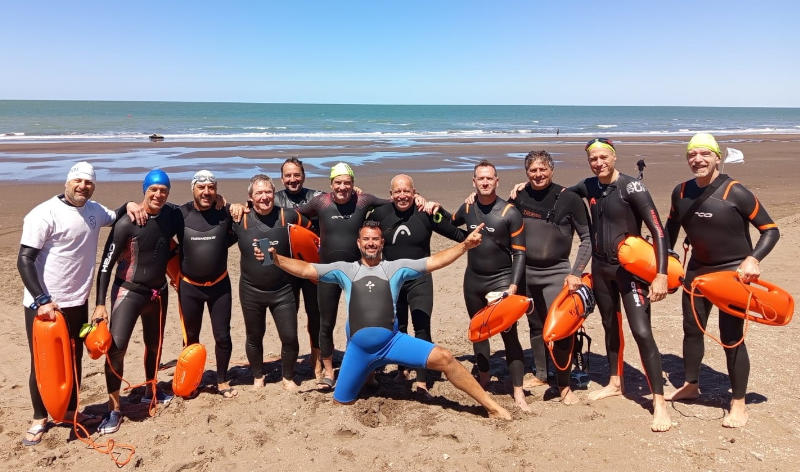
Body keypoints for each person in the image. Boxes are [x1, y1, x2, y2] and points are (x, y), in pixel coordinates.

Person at [256, 220, 512, 420]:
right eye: (366, 239)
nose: (370, 243)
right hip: (358, 350)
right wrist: (276, 259)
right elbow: (305, 269)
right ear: (358, 243)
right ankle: (367, 373)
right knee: (341, 401)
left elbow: (434, 261)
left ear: (382, 243)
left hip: (393, 343)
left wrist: (464, 246)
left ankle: (491, 407)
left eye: (375, 240)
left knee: (445, 358)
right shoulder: (345, 270)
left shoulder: (396, 268)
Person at [17, 162, 145, 446]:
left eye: (88, 183)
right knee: (42, 364)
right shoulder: (44, 213)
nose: (83, 186)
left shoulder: (94, 211)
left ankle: (70, 412)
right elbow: (24, 260)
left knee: (74, 361)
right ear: (67, 181)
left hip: (77, 303)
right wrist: (42, 300)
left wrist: (132, 204)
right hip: (45, 307)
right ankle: (39, 418)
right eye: (78, 181)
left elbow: (115, 214)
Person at [664, 133, 779, 428]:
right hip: (697, 272)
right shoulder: (680, 192)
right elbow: (670, 228)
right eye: (692, 154)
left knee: (732, 336)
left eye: (704, 154)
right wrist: (667, 257)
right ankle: (691, 385)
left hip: (732, 274)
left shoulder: (735, 192)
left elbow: (770, 229)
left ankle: (738, 403)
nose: (697, 160)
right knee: (691, 329)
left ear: (717, 157)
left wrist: (753, 259)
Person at [570, 138, 672, 432]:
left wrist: (661, 274)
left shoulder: (632, 188)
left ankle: (659, 403)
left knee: (641, 331)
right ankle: (615, 383)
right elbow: (559, 194)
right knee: (610, 326)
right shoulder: (588, 186)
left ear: (614, 157)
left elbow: (658, 231)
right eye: (593, 159)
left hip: (629, 271)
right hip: (601, 269)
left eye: (603, 157)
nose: (598, 163)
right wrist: (518, 189)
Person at [94, 169, 184, 434]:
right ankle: (114, 409)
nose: (158, 195)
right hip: (128, 292)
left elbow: (185, 228)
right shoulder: (127, 222)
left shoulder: (171, 216)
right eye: (153, 190)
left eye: (163, 191)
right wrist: (100, 303)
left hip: (157, 293)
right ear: (145, 190)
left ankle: (150, 389)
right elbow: (105, 265)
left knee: (154, 344)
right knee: (116, 349)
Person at [295, 162, 394, 389]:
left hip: (356, 274)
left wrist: (417, 198)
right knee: (325, 322)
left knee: (363, 321)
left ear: (353, 184)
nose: (342, 187)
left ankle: (367, 370)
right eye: (338, 182)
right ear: (331, 184)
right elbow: (294, 215)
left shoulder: (362, 201)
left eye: (347, 183)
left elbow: (391, 203)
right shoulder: (321, 202)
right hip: (328, 273)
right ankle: (329, 372)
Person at [367, 174, 465, 394]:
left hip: (420, 279)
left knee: (422, 327)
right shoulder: (381, 214)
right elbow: (361, 232)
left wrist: (439, 210)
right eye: (397, 192)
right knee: (398, 326)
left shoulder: (425, 213)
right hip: (392, 280)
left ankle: (421, 378)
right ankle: (403, 370)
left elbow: (456, 230)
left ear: (414, 192)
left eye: (407, 191)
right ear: (390, 194)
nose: (402, 195)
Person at [508, 151, 592, 405]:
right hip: (526, 272)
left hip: (557, 272)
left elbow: (587, 238)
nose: (538, 174)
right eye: (533, 170)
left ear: (552, 170)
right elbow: (500, 218)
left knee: (561, 328)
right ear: (526, 173)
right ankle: (543, 374)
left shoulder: (569, 198)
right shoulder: (519, 196)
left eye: (543, 169)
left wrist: (575, 273)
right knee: (535, 325)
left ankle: (564, 385)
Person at [452, 160, 530, 412]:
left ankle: (518, 391)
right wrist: (428, 206)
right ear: (473, 182)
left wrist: (513, 286)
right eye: (480, 178)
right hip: (473, 280)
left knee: (510, 335)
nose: (485, 182)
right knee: (479, 331)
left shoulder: (509, 212)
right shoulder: (467, 207)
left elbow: (519, 254)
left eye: (489, 178)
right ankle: (484, 376)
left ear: (497, 181)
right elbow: (448, 223)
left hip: (501, 280)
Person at [232, 174, 313, 390]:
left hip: (283, 290)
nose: (264, 197)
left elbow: (313, 231)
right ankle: (258, 376)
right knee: (254, 336)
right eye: (259, 193)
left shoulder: (288, 216)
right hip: (251, 291)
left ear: (274, 193)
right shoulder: (241, 220)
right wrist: (233, 206)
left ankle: (287, 376)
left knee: (289, 337)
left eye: (268, 192)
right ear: (250, 197)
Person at [177, 170, 239, 398]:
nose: (206, 192)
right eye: (201, 187)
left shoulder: (224, 213)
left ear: (216, 190)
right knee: (191, 338)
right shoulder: (180, 214)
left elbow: (246, 219)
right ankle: (192, 380)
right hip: (189, 287)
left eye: (211, 187)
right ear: (193, 188)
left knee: (222, 336)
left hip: (219, 286)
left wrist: (234, 205)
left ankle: (222, 380)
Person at [273, 157, 324, 380]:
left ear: (303, 176)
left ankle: (317, 359)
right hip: (286, 269)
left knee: (316, 315)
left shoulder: (318, 198)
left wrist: (356, 191)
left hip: (312, 266)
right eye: (288, 176)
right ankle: (290, 361)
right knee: (288, 316)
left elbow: (344, 200)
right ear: (282, 178)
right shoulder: (273, 200)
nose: (293, 179)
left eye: (297, 175)